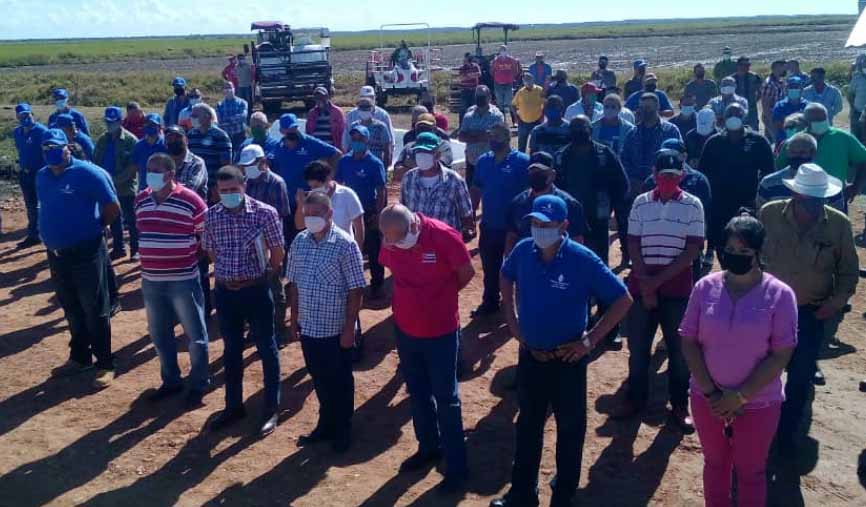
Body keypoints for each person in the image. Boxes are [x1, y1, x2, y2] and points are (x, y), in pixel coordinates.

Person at [492, 195, 632, 507]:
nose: (539, 229)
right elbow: (505, 276)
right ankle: (522, 494)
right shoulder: (523, 251)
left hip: (568, 360)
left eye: (547, 224)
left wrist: (590, 341)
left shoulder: (582, 259)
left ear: (564, 226)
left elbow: (622, 300)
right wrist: (512, 321)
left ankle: (564, 494)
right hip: (531, 356)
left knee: (570, 430)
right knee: (528, 425)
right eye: (535, 223)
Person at [679, 215, 797, 507]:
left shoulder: (781, 295)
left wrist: (740, 396)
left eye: (744, 252)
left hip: (758, 403)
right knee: (715, 464)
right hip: (707, 399)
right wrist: (712, 393)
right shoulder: (704, 288)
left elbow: (781, 354)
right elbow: (689, 341)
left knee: (751, 472)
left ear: (759, 253)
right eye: (731, 250)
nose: (736, 256)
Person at [759, 164, 859, 455]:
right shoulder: (770, 214)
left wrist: (836, 303)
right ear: (796, 195)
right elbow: (751, 255)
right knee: (760, 375)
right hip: (768, 312)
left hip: (811, 314)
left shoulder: (838, 224)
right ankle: (755, 430)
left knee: (800, 380)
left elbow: (848, 272)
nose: (815, 206)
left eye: (820, 200)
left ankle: (787, 435)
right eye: (810, 200)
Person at [378, 204, 475, 493]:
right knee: (418, 392)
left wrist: (440, 297)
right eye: (390, 239)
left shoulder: (444, 236)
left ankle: (456, 467)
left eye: (401, 237)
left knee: (446, 398)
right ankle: (428, 447)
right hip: (406, 328)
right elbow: (389, 264)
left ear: (415, 226)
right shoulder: (391, 239)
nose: (397, 244)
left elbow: (466, 272)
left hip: (441, 331)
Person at [615, 150, 705, 431]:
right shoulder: (641, 203)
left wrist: (654, 283)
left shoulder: (693, 205)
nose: (667, 180)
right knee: (638, 348)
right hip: (642, 286)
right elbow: (633, 245)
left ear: (682, 176)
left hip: (677, 289)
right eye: (662, 176)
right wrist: (646, 283)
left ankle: (679, 405)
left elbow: (692, 250)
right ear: (654, 175)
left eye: (672, 176)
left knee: (680, 353)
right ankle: (635, 398)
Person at [204, 165, 284, 436]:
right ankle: (233, 406)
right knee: (231, 350)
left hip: (256, 291)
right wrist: (230, 275)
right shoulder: (212, 216)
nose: (227, 195)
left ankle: (271, 408)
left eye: (233, 190)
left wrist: (262, 276)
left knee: (266, 348)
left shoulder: (265, 214)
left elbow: (277, 253)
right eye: (223, 191)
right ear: (216, 191)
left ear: (244, 187)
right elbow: (212, 251)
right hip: (226, 293)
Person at [37, 128, 120, 388]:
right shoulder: (41, 176)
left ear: (67, 147)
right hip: (56, 253)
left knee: (94, 308)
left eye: (56, 147)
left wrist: (95, 230)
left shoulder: (88, 173)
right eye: (46, 149)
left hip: (86, 251)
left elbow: (112, 207)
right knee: (70, 306)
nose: (51, 152)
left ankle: (105, 364)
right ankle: (80, 358)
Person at [287, 190, 365, 453]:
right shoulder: (299, 241)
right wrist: (294, 317)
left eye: (316, 214)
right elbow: (294, 283)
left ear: (330, 214)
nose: (310, 219)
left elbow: (356, 290)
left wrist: (349, 329)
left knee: (340, 381)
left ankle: (343, 428)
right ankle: (325, 425)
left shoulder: (345, 245)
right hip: (310, 326)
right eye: (306, 214)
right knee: (319, 378)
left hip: (335, 329)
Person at [135, 152, 210, 407]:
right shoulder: (141, 199)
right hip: (151, 280)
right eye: (149, 169)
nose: (151, 174)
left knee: (195, 335)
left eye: (156, 170)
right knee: (159, 333)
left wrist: (187, 256)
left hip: (183, 279)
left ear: (170, 174)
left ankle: (199, 383)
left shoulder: (191, 200)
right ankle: (171, 381)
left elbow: (205, 237)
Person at [470, 124, 530, 316]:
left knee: (518, 269)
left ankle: (518, 307)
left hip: (515, 228)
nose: (492, 139)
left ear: (507, 138)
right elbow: (477, 189)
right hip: (489, 224)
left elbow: (531, 193)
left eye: (497, 136)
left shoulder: (522, 162)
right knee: (490, 267)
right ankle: (490, 302)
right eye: (491, 135)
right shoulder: (483, 161)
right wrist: (471, 213)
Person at [699, 103, 774, 257]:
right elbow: (703, 174)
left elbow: (768, 173)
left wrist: (758, 200)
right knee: (722, 246)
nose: (734, 117)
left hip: (747, 204)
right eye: (730, 114)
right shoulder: (713, 142)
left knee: (747, 245)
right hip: (719, 205)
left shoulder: (758, 141)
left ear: (744, 116)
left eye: (737, 114)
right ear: (723, 118)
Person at [237, 145, 291, 344]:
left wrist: (269, 248)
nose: (247, 169)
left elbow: (279, 217)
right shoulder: (246, 183)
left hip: (270, 243)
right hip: (248, 244)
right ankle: (255, 328)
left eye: (251, 165)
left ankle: (278, 330)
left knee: (274, 288)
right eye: (245, 166)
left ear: (262, 162)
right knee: (252, 290)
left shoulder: (277, 183)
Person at [620, 93, 682, 265]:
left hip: (663, 186)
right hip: (636, 187)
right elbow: (624, 159)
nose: (646, 110)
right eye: (643, 107)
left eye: (649, 106)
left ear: (657, 108)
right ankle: (636, 259)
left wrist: (656, 180)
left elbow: (677, 158)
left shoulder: (671, 130)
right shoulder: (632, 133)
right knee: (638, 226)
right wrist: (633, 181)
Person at [272, 113, 342, 248]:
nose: (292, 132)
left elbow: (336, 154)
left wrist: (328, 177)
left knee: (309, 234)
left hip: (307, 199)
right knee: (289, 239)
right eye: (288, 130)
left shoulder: (309, 142)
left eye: (294, 128)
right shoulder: (278, 147)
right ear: (282, 131)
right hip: (286, 200)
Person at [336, 125, 388, 298]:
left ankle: (377, 284)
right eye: (354, 139)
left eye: (360, 139)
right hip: (349, 210)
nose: (356, 142)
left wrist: (379, 213)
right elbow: (338, 183)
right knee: (350, 246)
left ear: (367, 141)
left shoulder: (375, 163)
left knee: (374, 249)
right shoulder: (344, 161)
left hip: (368, 210)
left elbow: (381, 190)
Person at [164, 125, 211, 315]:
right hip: (170, 225)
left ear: (186, 140)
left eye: (177, 137)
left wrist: (165, 191)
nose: (173, 141)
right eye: (169, 138)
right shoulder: (165, 163)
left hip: (195, 225)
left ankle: (204, 309)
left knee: (199, 269)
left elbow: (189, 190)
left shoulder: (196, 163)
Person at [776, 103, 866, 194]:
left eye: (822, 119)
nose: (820, 122)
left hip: (835, 197)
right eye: (816, 120)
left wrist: (856, 186)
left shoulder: (844, 138)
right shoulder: (793, 142)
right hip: (802, 197)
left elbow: (863, 160)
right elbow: (779, 171)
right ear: (806, 122)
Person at [505, 154, 586, 254]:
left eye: (541, 172)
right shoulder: (518, 203)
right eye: (532, 172)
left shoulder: (570, 205)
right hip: (527, 263)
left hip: (558, 263)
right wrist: (509, 262)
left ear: (552, 175)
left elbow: (577, 240)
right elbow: (512, 236)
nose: (536, 175)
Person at [400, 132, 475, 238]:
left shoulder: (454, 181)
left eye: (427, 151)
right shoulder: (408, 179)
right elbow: (404, 211)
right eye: (419, 151)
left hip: (444, 244)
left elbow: (466, 216)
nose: (422, 155)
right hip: (417, 244)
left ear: (438, 154)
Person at [94, 106, 139, 260]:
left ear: (120, 121)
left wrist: (116, 180)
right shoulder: (102, 140)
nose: (110, 125)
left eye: (113, 122)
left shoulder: (130, 140)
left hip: (126, 188)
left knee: (132, 220)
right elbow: (96, 161)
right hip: (107, 187)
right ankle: (118, 248)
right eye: (107, 122)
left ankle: (135, 249)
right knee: (113, 219)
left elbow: (133, 167)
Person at [758, 133, 845, 211]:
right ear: (787, 152)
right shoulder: (769, 182)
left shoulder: (828, 186)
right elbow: (761, 212)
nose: (797, 156)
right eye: (793, 152)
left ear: (813, 153)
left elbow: (836, 216)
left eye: (802, 152)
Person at [13, 104, 48, 249]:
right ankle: (34, 234)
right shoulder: (17, 132)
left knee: (43, 205)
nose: (25, 118)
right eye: (21, 116)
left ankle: (44, 233)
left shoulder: (42, 131)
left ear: (32, 114)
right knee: (30, 205)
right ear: (17, 117)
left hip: (39, 173)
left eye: (27, 115)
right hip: (25, 173)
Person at [459, 85, 505, 186]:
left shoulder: (497, 116)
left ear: (489, 97)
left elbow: (498, 137)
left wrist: (471, 135)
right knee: (471, 191)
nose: (479, 99)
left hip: (490, 162)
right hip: (472, 160)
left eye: (482, 96)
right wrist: (481, 136)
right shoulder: (469, 113)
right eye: (477, 96)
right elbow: (461, 136)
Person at [187, 102, 233, 198]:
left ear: (207, 117)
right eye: (192, 115)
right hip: (195, 185)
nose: (192, 118)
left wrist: (219, 186)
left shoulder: (220, 136)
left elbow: (226, 165)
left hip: (213, 188)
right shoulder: (190, 135)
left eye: (195, 115)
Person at [347, 95, 393, 169]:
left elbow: (387, 150)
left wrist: (384, 168)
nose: (364, 109)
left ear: (372, 109)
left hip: (375, 166)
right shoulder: (354, 126)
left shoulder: (381, 127)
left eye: (367, 107)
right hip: (356, 166)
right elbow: (349, 147)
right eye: (361, 107)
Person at [132, 113, 167, 191]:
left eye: (153, 125)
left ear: (159, 127)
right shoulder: (139, 146)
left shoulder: (165, 145)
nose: (150, 127)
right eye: (147, 124)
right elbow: (135, 167)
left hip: (162, 189)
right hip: (143, 188)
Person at [512, 72, 545, 152]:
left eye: (529, 79)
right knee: (521, 146)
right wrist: (516, 118)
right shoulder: (520, 92)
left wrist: (542, 117)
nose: (527, 82)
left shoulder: (540, 90)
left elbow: (546, 103)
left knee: (536, 146)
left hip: (537, 122)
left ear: (533, 80)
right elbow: (513, 105)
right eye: (525, 80)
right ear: (523, 82)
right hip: (523, 122)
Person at [771, 77, 809, 142]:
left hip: (803, 142)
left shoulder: (808, 106)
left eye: (796, 87)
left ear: (801, 89)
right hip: (783, 141)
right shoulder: (779, 106)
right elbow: (776, 125)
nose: (793, 89)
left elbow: (809, 125)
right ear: (786, 89)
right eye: (791, 87)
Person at [491, 45, 521, 126]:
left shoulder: (511, 60)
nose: (503, 51)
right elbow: (492, 71)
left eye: (504, 50)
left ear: (506, 51)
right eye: (501, 50)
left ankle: (515, 121)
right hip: (498, 84)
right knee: (500, 103)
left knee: (510, 102)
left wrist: (511, 78)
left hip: (508, 83)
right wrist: (498, 78)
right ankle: (503, 121)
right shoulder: (496, 60)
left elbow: (516, 70)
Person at [759, 60, 788, 142]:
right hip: (772, 117)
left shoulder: (781, 82)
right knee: (777, 141)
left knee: (770, 140)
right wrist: (770, 120)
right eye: (783, 67)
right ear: (776, 68)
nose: (785, 69)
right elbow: (765, 104)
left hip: (779, 117)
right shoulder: (769, 83)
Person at [216, 81, 249, 151]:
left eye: (230, 87)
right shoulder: (219, 105)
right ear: (223, 91)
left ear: (234, 88)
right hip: (226, 136)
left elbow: (243, 117)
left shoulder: (242, 102)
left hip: (240, 135)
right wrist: (234, 119)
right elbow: (219, 120)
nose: (228, 90)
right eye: (225, 88)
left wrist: (227, 120)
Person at [732, 56, 762, 130]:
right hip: (737, 110)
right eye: (742, 65)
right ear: (738, 65)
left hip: (751, 110)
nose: (745, 67)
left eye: (747, 65)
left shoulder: (754, 77)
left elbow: (761, 91)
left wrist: (754, 101)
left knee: (754, 131)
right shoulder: (732, 79)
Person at [457, 53, 482, 125]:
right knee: (463, 108)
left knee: (474, 108)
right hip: (465, 90)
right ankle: (462, 125)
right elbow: (462, 78)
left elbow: (479, 74)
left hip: (474, 90)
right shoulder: (462, 68)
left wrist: (469, 75)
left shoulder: (475, 66)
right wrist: (471, 75)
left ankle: (474, 124)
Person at [848, 54, 866, 143]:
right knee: (855, 139)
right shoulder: (856, 78)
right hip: (857, 113)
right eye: (864, 65)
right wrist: (853, 108)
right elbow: (850, 95)